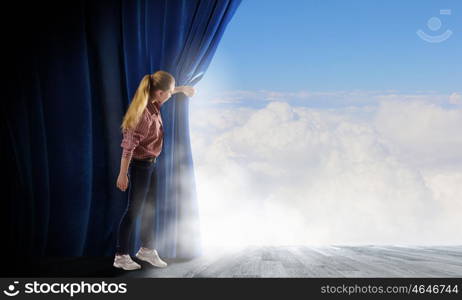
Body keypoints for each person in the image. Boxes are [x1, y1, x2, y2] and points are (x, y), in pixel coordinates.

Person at [113, 70, 195, 271]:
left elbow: (168, 92)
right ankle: (121, 255)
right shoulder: (143, 115)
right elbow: (128, 147)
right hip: (140, 166)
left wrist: (181, 89)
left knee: (150, 207)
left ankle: (147, 250)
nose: (170, 94)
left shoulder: (153, 103)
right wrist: (122, 174)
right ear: (159, 93)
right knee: (134, 210)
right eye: (169, 92)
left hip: (151, 164)